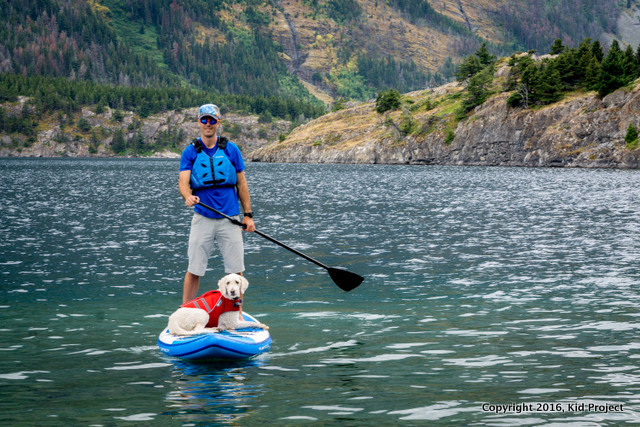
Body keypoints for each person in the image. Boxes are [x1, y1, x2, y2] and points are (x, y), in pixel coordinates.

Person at [179, 104, 255, 305]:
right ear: (199, 122)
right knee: (194, 269)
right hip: (203, 216)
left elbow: (241, 183)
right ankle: (185, 310)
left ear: (218, 122)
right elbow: (183, 183)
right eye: (204, 120)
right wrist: (188, 196)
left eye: (212, 120)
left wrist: (248, 215)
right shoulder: (190, 152)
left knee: (236, 272)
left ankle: (235, 314)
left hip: (230, 218)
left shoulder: (231, 150)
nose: (208, 124)